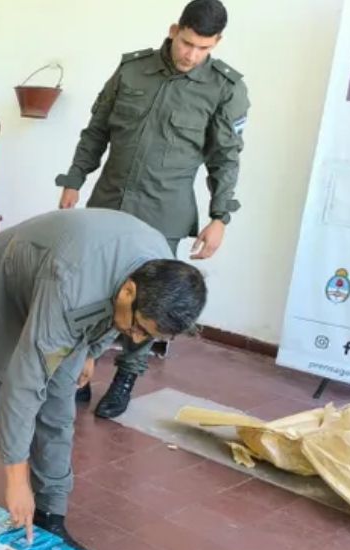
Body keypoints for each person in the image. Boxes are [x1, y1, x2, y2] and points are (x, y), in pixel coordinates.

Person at [0, 209, 208, 550]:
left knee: (59, 410)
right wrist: (15, 481)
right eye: (138, 329)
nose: (136, 340)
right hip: (3, 292)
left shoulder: (161, 275)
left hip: (70, 300)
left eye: (148, 336)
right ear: (129, 291)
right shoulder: (73, 281)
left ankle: (51, 517)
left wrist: (91, 352)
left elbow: (119, 318)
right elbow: (24, 383)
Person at [55, 0, 247, 419]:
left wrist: (220, 217)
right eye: (187, 43)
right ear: (175, 29)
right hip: (109, 202)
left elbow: (225, 158)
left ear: (216, 43)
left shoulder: (225, 88)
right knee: (93, 288)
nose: (191, 55)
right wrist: (74, 180)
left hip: (165, 212)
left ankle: (126, 375)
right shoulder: (131, 70)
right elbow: (97, 131)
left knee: (149, 302)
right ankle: (79, 367)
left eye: (203, 48)